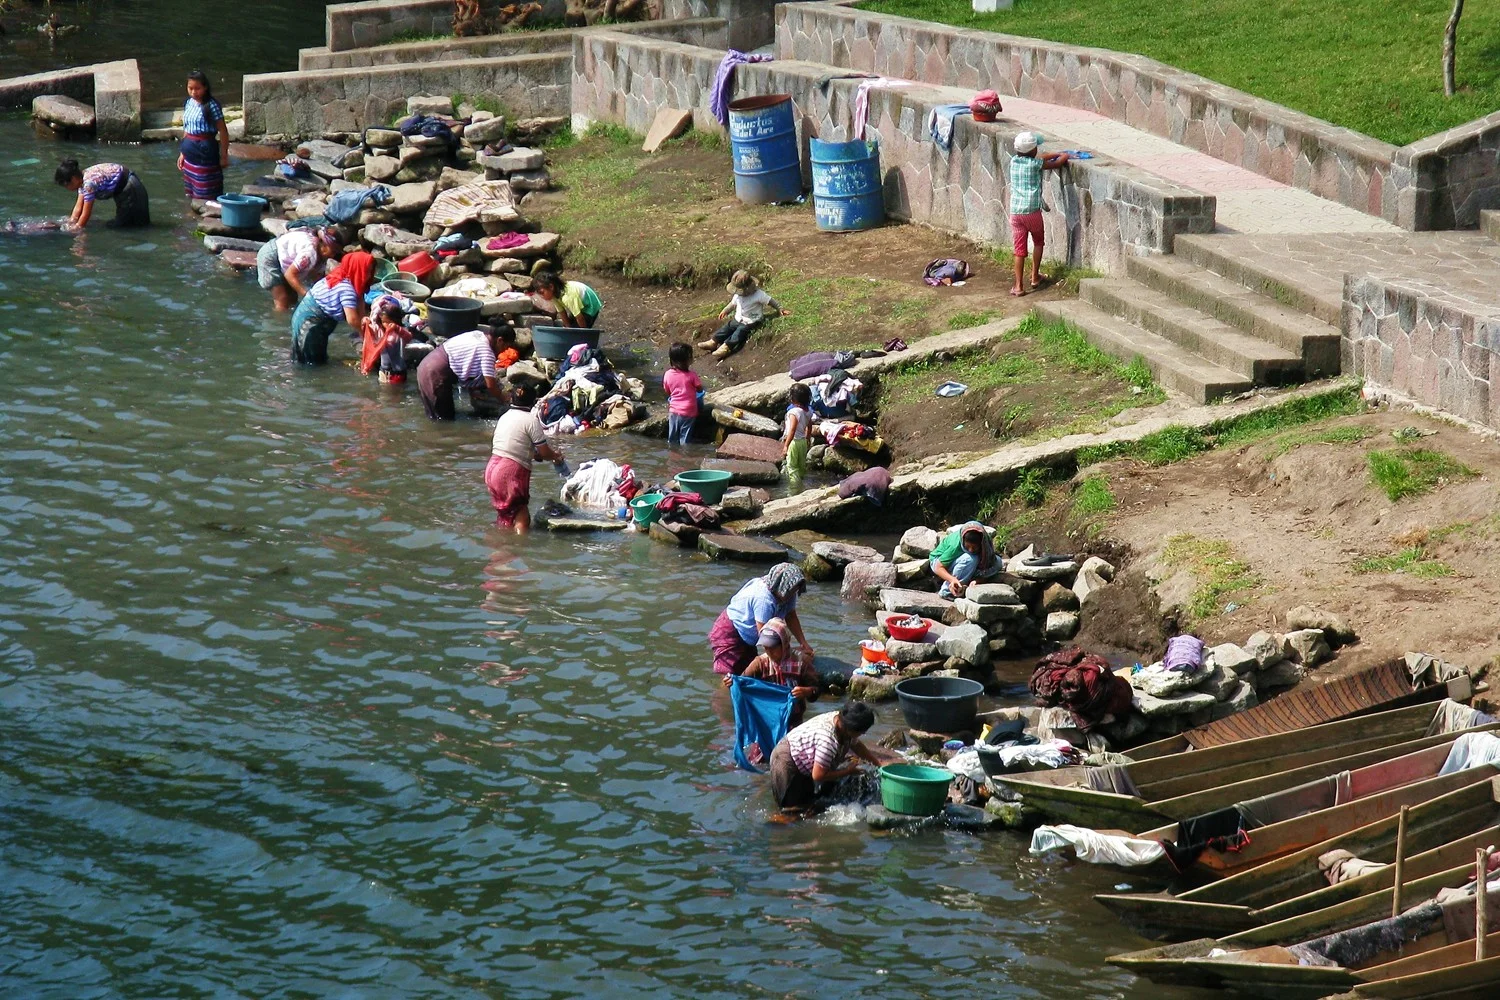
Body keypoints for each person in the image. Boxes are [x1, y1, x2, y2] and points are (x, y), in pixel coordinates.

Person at [769, 701, 889, 814]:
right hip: (785, 759)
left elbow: (856, 745)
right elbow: (818, 775)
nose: (863, 734)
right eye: (862, 732)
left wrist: (877, 763)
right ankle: (774, 829)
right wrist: (848, 771)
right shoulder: (828, 741)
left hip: (801, 755)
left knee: (808, 807)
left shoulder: (842, 719)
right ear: (850, 728)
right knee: (790, 812)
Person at [709, 563, 813, 676]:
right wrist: (790, 655)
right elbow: (766, 637)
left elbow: (791, 616)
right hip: (730, 632)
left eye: (795, 591)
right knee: (730, 676)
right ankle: (724, 693)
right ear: (780, 586)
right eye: (790, 591)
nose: (792, 595)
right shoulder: (764, 600)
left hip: (749, 637)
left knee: (748, 674)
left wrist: (804, 644)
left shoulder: (789, 592)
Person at [485, 383, 562, 533]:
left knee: (506, 514)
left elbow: (514, 444)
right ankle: (520, 548)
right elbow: (545, 452)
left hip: (492, 469)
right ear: (533, 403)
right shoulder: (531, 420)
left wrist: (535, 455)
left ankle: (501, 542)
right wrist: (556, 457)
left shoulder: (505, 417)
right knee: (522, 515)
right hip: (509, 471)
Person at [1007, 131, 1069, 297]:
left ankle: (1018, 286)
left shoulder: (1013, 161)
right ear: (1033, 151)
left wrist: (1052, 154)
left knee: (1019, 250)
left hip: (1016, 214)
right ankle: (1035, 276)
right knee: (1038, 242)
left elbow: (1041, 156)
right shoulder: (1036, 164)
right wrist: (1063, 154)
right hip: (1033, 213)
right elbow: (1056, 163)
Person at [728, 617, 820, 726]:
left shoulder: (801, 662)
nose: (769, 652)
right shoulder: (760, 663)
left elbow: (816, 690)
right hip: (766, 718)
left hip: (793, 719)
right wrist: (732, 682)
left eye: (773, 647)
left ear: (784, 643)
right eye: (766, 647)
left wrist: (807, 691)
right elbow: (743, 683)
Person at [290, 250, 373, 365]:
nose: (369, 274)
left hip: (316, 319)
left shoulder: (348, 277)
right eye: (367, 271)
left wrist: (365, 332)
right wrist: (366, 336)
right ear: (358, 269)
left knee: (318, 358)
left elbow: (360, 308)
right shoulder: (346, 288)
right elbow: (353, 320)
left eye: (370, 271)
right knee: (310, 363)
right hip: (310, 323)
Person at [416, 325, 506, 421]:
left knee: (435, 414)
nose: (504, 350)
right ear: (499, 340)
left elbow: (467, 364)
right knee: (444, 420)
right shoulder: (487, 352)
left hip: (427, 365)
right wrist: (504, 399)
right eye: (505, 346)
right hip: (435, 373)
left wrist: (473, 391)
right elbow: (491, 385)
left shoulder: (478, 334)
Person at [698, 270, 788, 360]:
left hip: (751, 320)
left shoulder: (758, 295)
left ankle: (726, 346)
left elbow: (771, 301)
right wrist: (725, 310)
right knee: (727, 327)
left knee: (739, 332)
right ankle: (713, 342)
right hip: (738, 318)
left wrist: (780, 309)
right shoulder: (737, 295)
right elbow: (733, 304)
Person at [177, 70, 230, 201]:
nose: (194, 92)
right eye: (190, 88)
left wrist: (224, 156)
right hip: (189, 151)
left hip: (205, 151)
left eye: (197, 88)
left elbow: (223, 131)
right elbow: (187, 128)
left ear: (205, 87)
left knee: (206, 190)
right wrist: (182, 153)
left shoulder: (211, 105)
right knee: (190, 190)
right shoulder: (188, 103)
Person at [257, 227, 340, 311]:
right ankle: (277, 320)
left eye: (336, 252)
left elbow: (317, 280)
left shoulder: (322, 258)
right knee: (282, 299)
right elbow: (289, 275)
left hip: (283, 259)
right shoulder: (309, 253)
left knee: (293, 299)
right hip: (271, 256)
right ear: (323, 245)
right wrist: (306, 295)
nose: (333, 255)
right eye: (332, 251)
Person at [55, 159, 150, 228]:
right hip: (123, 188)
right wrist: (72, 221)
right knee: (130, 223)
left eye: (66, 185)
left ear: (73, 179)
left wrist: (78, 228)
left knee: (131, 225)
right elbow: (79, 207)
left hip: (130, 187)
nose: (67, 188)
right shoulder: (82, 179)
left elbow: (86, 213)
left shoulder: (89, 184)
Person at [930, 520, 1000, 598]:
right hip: (939, 563)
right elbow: (938, 567)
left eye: (974, 547)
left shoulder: (985, 541)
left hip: (960, 561)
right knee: (971, 558)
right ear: (963, 541)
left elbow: (991, 561)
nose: (971, 550)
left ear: (981, 544)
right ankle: (948, 591)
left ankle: (970, 579)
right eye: (968, 547)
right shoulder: (955, 546)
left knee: (998, 562)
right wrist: (952, 579)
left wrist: (979, 580)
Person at [359, 296, 412, 384]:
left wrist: (397, 328)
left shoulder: (400, 333)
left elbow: (408, 337)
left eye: (389, 322)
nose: (386, 325)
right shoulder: (380, 332)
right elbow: (369, 336)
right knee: (383, 395)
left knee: (395, 395)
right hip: (383, 372)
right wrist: (364, 323)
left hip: (398, 374)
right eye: (384, 322)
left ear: (396, 320)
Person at [662, 341, 702, 447]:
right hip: (689, 411)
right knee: (685, 438)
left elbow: (667, 390)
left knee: (672, 438)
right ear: (687, 361)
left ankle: (672, 456)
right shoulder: (692, 375)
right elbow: (699, 389)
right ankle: (685, 457)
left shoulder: (668, 374)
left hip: (674, 410)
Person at [532, 271, 601, 328]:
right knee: (571, 325)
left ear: (551, 287)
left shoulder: (567, 297)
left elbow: (579, 317)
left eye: (542, 293)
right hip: (580, 304)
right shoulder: (554, 296)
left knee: (579, 328)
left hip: (590, 305)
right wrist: (567, 327)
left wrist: (583, 332)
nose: (541, 296)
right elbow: (562, 312)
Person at [781, 382, 813, 491]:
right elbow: (809, 426)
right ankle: (802, 483)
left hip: (794, 442)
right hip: (803, 442)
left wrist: (786, 445)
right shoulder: (809, 411)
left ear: (793, 399)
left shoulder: (793, 412)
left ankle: (795, 489)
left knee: (792, 467)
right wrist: (808, 438)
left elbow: (792, 430)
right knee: (801, 465)